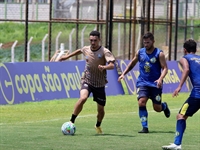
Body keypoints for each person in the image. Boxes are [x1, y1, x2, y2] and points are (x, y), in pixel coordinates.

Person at [56, 31, 115, 134]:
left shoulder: (105, 51)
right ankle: (71, 121)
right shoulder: (86, 49)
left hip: (100, 84)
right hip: (87, 80)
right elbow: (80, 50)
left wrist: (104, 67)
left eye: (95, 40)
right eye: (91, 40)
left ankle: (98, 125)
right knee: (83, 98)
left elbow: (112, 65)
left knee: (100, 110)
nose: (93, 43)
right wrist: (67, 57)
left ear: (99, 40)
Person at [118, 32, 170, 133]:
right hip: (142, 83)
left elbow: (165, 68)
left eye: (148, 42)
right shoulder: (140, 52)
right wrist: (123, 73)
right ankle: (144, 127)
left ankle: (164, 106)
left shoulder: (159, 53)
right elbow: (132, 64)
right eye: (144, 42)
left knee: (157, 108)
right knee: (141, 102)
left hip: (155, 84)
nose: (146, 45)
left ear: (153, 42)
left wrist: (160, 79)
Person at [162, 39, 200, 150]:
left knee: (181, 116)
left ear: (184, 50)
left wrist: (179, 86)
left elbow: (186, 69)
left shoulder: (184, 58)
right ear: (196, 49)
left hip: (197, 94)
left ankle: (177, 144)